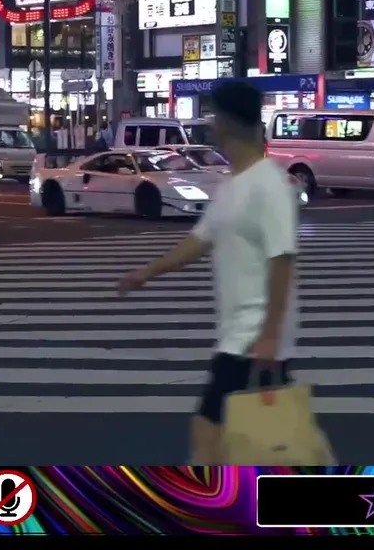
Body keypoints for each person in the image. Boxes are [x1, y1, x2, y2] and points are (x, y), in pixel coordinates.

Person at [116, 81, 300, 463]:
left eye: (216, 116)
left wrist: (269, 335)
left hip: (252, 341)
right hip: (241, 339)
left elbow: (282, 259)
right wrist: (146, 273)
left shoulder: (269, 185)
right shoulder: (233, 186)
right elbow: (198, 242)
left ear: (229, 122)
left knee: (219, 438)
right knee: (251, 448)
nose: (212, 124)